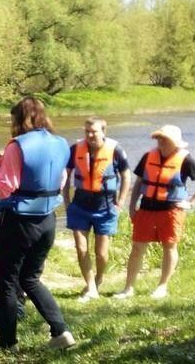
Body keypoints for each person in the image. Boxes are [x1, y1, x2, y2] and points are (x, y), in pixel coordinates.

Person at [0, 97, 76, 351]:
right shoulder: (61, 143)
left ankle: (7, 343)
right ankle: (61, 331)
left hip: (18, 221)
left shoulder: (17, 146)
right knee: (31, 278)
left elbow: (5, 188)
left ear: (20, 119)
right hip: (48, 220)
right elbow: (61, 180)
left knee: (6, 282)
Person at [115, 125, 195, 300]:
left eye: (164, 139)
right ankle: (128, 288)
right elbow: (138, 183)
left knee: (169, 246)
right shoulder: (148, 156)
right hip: (146, 208)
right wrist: (132, 207)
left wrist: (191, 203)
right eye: (158, 138)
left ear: (175, 143)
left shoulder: (186, 160)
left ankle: (162, 286)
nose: (160, 142)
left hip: (171, 210)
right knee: (137, 247)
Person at [63, 117, 131, 301]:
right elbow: (66, 175)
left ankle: (98, 278)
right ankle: (91, 287)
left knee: (101, 252)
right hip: (80, 204)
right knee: (81, 247)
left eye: (94, 131)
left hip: (106, 206)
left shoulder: (115, 150)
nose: (90, 135)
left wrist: (121, 202)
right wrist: (66, 201)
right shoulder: (75, 149)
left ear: (103, 132)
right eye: (87, 131)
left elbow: (126, 176)